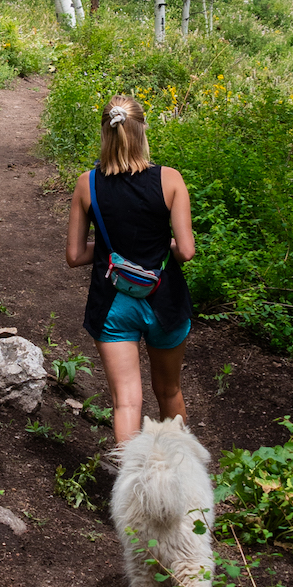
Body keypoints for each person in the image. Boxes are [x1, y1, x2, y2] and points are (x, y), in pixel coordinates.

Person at [65, 93, 196, 446]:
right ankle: (178, 480)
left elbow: (75, 255)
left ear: (105, 133)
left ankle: (133, 493)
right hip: (164, 300)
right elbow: (186, 250)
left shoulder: (86, 184)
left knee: (126, 401)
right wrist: (159, 247)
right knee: (169, 392)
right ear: (142, 131)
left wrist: (112, 252)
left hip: (112, 302)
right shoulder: (169, 180)